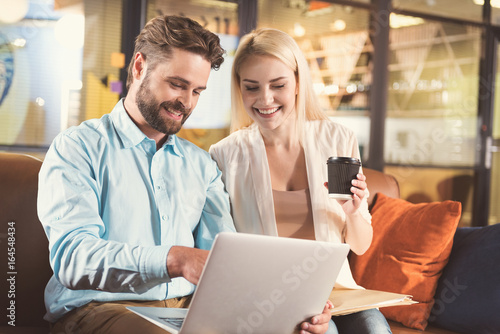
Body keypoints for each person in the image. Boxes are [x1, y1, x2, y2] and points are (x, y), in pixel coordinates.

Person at [38, 15, 329, 334]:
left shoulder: (202, 166)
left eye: (197, 91)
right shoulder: (77, 148)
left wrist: (289, 312)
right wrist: (174, 259)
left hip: (189, 310)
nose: (186, 103)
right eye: (176, 84)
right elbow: (73, 259)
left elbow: (226, 260)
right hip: (100, 309)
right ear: (139, 67)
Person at [209, 28, 392, 334]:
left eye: (277, 85)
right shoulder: (226, 155)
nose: (265, 99)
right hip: (271, 296)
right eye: (251, 87)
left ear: (297, 83)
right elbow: (224, 250)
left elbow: (360, 246)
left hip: (338, 291)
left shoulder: (336, 139)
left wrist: (352, 212)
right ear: (238, 88)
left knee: (375, 329)